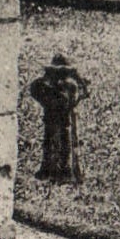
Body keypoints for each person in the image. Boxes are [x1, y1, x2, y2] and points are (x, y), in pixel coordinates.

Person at [29, 54, 89, 183]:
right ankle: (61, 172)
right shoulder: (68, 85)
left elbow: (66, 100)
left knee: (59, 143)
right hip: (61, 120)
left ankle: (61, 172)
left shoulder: (63, 86)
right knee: (59, 143)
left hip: (61, 120)